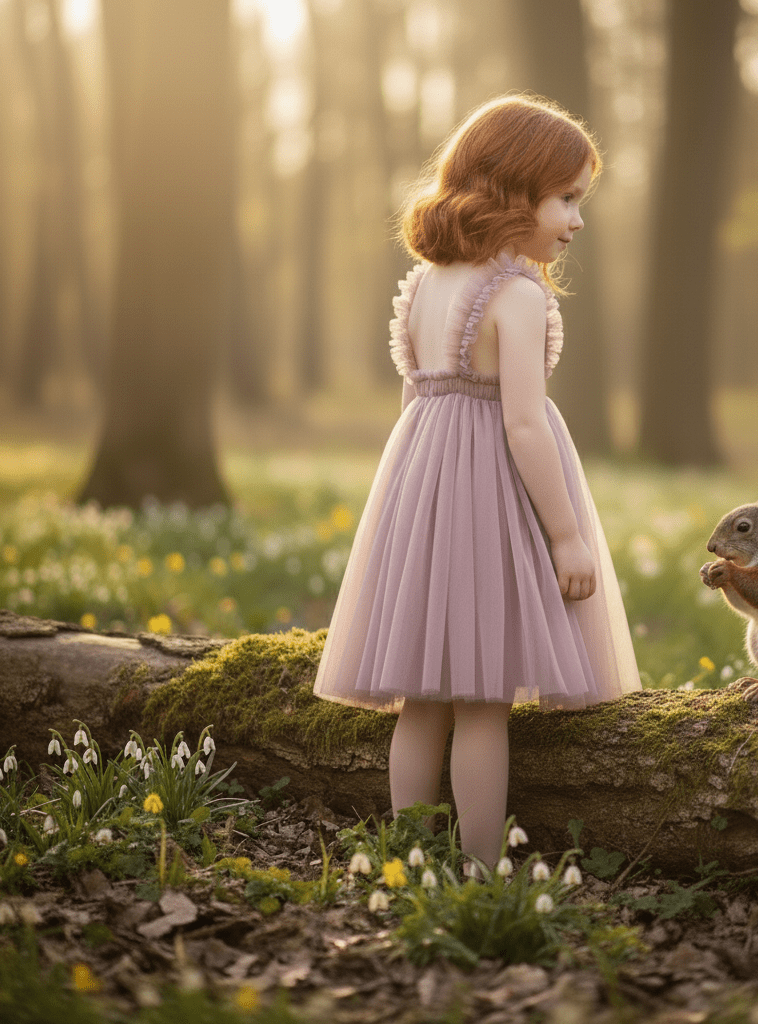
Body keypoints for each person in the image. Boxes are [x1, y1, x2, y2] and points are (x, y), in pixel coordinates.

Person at [313, 94, 641, 870]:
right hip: (492, 499)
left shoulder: (428, 283)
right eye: (567, 198)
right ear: (513, 189)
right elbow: (524, 425)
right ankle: (481, 868)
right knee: (483, 701)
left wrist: (408, 502)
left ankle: (408, 859)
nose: (577, 220)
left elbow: (414, 399)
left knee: (422, 701)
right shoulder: (517, 296)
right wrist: (564, 534)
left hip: (422, 491)